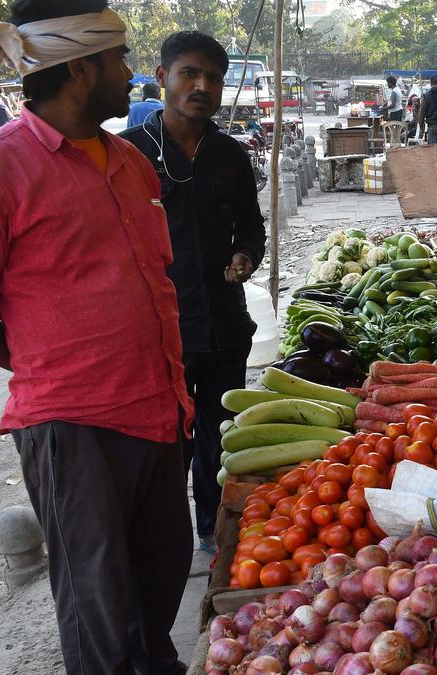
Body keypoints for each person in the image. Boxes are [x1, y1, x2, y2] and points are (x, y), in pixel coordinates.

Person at [0, 1, 194, 673]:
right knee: (100, 614)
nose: (131, 75)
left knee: (158, 597)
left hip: (160, 412)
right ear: (78, 69)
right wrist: (50, 365)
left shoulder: (130, 162)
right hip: (75, 429)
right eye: (119, 60)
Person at [120, 32, 265, 554]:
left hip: (225, 323)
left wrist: (246, 255)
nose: (201, 86)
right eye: (189, 73)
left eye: (214, 78)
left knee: (219, 436)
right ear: (162, 77)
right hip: (159, 332)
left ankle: (214, 529)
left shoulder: (230, 155)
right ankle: (165, 539)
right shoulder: (128, 155)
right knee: (165, 443)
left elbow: (251, 226)